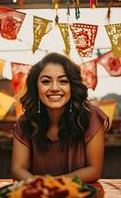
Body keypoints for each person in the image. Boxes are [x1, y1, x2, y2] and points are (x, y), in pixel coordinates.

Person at [11, 52, 109, 183]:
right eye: (46, 81)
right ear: (36, 87)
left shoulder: (91, 117)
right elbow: (17, 169)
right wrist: (41, 187)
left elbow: (94, 170)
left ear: (72, 86)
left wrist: (54, 185)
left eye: (63, 81)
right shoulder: (26, 123)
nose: (55, 88)